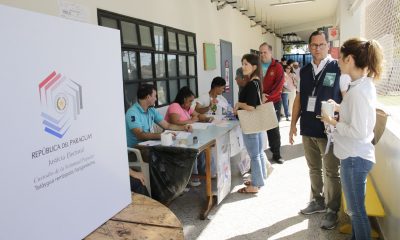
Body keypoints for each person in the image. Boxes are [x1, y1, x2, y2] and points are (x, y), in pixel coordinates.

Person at [321, 38, 383, 239]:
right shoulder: (361, 86)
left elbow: (358, 131)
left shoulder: (359, 92)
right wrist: (340, 108)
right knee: (355, 211)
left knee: (357, 212)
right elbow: (358, 117)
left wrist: (332, 121)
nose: (338, 62)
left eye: (340, 58)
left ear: (350, 59)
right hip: (355, 156)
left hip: (355, 159)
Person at [289, 30, 342, 230]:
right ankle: (317, 201)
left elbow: (346, 99)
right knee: (313, 168)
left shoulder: (337, 68)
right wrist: (293, 124)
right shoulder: (303, 71)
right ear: (309, 47)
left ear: (328, 45)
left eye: (321, 45)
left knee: (331, 171)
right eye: (313, 45)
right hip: (308, 127)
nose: (317, 48)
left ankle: (332, 210)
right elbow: (298, 99)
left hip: (329, 130)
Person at [164, 86, 212, 186]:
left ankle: (203, 172)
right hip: (174, 137)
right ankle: (193, 177)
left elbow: (197, 115)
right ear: (184, 99)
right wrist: (191, 120)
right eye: (190, 101)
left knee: (203, 146)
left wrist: (206, 118)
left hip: (185, 135)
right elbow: (175, 122)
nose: (191, 104)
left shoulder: (187, 108)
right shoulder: (175, 106)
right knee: (193, 148)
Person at [234, 53, 267, 193]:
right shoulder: (257, 81)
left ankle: (255, 185)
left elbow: (251, 107)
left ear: (254, 66)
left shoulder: (252, 84)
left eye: (246, 64)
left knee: (254, 155)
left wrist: (239, 104)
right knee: (258, 153)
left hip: (251, 124)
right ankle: (259, 179)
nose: (243, 67)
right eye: (242, 63)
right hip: (257, 123)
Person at [125, 84, 192, 148]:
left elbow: (167, 125)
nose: (156, 99)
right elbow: (140, 135)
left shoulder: (151, 110)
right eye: (155, 96)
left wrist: (183, 128)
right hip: (137, 149)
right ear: (148, 97)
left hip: (149, 145)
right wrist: (163, 136)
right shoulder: (132, 112)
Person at [259, 43, 285, 164]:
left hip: (273, 102)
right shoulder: (257, 66)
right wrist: (259, 97)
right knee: (257, 128)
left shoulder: (277, 67)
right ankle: (258, 155)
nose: (262, 55)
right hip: (259, 102)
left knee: (273, 128)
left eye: (265, 52)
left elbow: (278, 87)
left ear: (270, 53)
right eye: (260, 52)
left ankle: (276, 154)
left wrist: (267, 98)